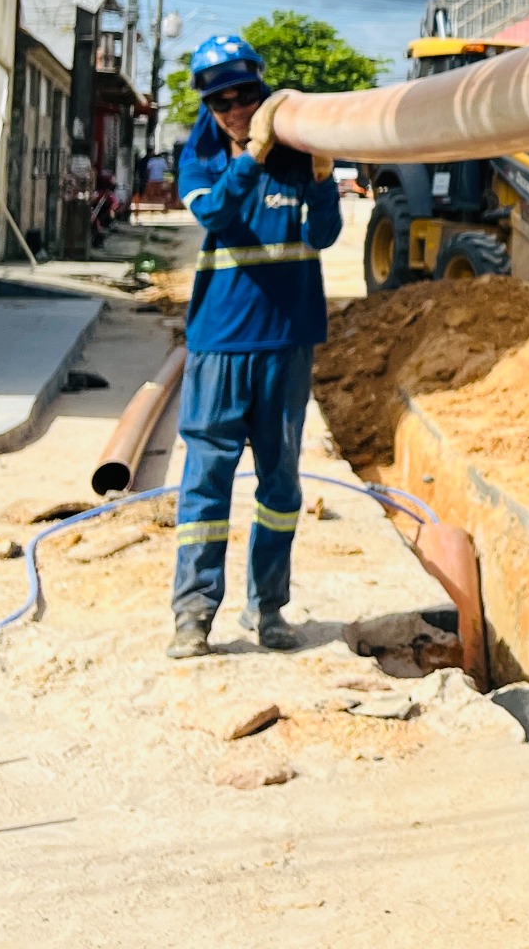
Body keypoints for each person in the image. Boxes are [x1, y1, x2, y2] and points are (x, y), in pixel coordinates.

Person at [168, 33, 343, 659]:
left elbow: (324, 234)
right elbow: (215, 214)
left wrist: (322, 176)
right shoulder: (201, 161)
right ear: (209, 107)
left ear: (262, 89)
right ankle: (193, 616)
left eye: (247, 96)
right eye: (223, 102)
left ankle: (269, 609)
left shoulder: (298, 156)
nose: (237, 110)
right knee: (205, 483)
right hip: (219, 345)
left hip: (287, 342)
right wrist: (249, 156)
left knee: (280, 485)